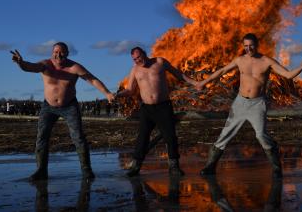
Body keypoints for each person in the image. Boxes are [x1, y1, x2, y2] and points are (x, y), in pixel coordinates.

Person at [196, 33, 302, 178]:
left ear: (257, 45)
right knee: (225, 134)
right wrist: (203, 83)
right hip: (240, 103)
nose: (248, 49)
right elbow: (222, 71)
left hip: (257, 104)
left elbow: (288, 75)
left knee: (261, 135)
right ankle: (210, 167)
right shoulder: (240, 60)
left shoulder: (266, 61)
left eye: (251, 46)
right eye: (245, 46)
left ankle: (276, 168)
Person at [11, 42, 114, 181]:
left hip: (69, 106)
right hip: (48, 107)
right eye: (55, 52)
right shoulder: (45, 65)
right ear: (52, 52)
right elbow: (30, 67)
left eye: (61, 52)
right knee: (42, 137)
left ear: (67, 53)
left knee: (78, 137)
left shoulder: (74, 67)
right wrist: (21, 63)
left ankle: (87, 171)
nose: (58, 54)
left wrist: (107, 93)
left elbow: (92, 79)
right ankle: (41, 171)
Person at [116, 47, 198, 177]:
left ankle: (174, 167)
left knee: (170, 137)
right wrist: (117, 95)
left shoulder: (160, 62)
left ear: (144, 54)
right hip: (147, 109)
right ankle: (136, 166)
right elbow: (130, 90)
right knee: (142, 138)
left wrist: (195, 83)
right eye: (135, 59)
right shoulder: (135, 70)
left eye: (139, 57)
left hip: (163, 107)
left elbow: (178, 74)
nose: (137, 60)